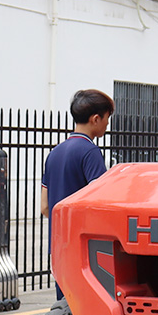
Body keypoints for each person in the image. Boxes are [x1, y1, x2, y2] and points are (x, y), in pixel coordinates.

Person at [41, 89, 115, 300]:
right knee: (88, 307)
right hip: (84, 248)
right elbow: (100, 201)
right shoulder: (90, 152)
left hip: (58, 245)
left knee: (64, 307)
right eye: (107, 118)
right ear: (95, 119)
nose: (107, 124)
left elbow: (44, 206)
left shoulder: (54, 153)